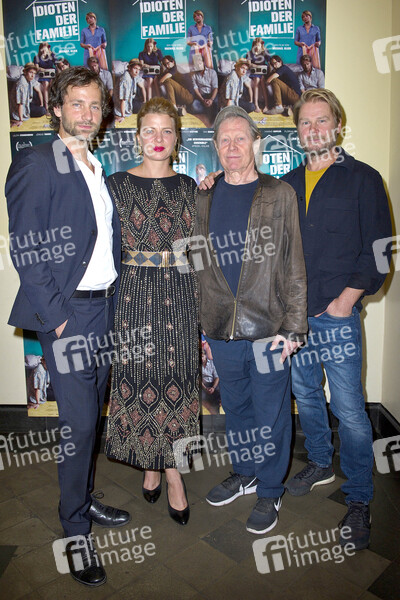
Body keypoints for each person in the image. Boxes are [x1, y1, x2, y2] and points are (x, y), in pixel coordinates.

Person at [5, 66, 130, 587]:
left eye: (95, 105)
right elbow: (25, 249)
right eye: (76, 103)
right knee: (78, 426)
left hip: (103, 310)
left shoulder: (95, 166)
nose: (87, 113)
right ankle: (75, 532)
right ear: (56, 108)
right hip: (69, 314)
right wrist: (57, 319)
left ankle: (82, 497)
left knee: (89, 418)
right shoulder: (38, 162)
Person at [281, 88, 392, 550]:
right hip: (296, 319)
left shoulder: (364, 179)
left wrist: (347, 300)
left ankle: (360, 496)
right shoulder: (286, 184)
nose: (313, 129)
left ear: (338, 126)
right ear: (297, 131)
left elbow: (380, 250)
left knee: (349, 408)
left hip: (337, 316)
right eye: (305, 123)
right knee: (306, 395)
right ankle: (321, 462)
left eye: (321, 120)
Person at [194, 106, 307, 534]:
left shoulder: (280, 194)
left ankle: (270, 489)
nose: (232, 146)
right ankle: (245, 473)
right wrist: (202, 319)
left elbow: (294, 264)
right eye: (224, 139)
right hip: (221, 327)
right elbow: (197, 262)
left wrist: (294, 329)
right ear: (216, 147)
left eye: (240, 138)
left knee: (271, 412)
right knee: (237, 406)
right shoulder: (203, 196)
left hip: (269, 328)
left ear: (256, 143)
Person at [105, 98, 199, 527]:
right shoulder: (115, 185)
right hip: (133, 294)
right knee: (140, 378)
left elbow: (199, 250)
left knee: (177, 381)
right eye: (149, 130)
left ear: (176, 138)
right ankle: (149, 461)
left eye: (166, 131)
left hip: (180, 293)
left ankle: (172, 473)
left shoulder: (191, 188)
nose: (157, 139)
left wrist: (203, 305)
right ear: (137, 136)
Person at [10, 62, 46, 126]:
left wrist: (41, 104)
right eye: (31, 72)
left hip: (28, 103)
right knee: (42, 111)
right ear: (25, 72)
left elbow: (39, 91)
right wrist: (21, 120)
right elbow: (20, 104)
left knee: (36, 91)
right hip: (21, 108)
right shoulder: (22, 84)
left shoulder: (30, 79)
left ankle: (37, 107)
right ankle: (23, 116)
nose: (33, 75)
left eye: (34, 73)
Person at [245, 38, 270, 113]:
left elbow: (269, 62)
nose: (257, 47)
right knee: (257, 79)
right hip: (254, 72)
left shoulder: (265, 52)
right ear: (253, 45)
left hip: (263, 71)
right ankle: (256, 105)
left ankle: (266, 105)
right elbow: (249, 64)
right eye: (256, 45)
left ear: (261, 45)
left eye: (259, 45)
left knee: (262, 81)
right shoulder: (249, 53)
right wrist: (255, 65)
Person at [33, 42, 57, 111]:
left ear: (48, 49)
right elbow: (36, 68)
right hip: (43, 75)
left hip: (51, 74)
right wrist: (41, 69)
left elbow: (56, 64)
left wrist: (51, 55)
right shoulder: (37, 57)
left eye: (45, 50)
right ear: (40, 49)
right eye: (42, 50)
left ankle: (54, 105)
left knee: (52, 84)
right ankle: (47, 107)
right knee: (46, 84)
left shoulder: (52, 55)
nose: (44, 52)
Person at [200, 349, 221, 415]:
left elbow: (217, 377)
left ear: (205, 356)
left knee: (218, 393)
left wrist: (213, 387)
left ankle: (216, 414)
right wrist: (205, 388)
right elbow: (198, 379)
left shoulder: (212, 363)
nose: (201, 358)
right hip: (203, 385)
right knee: (202, 396)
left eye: (202, 356)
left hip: (213, 384)